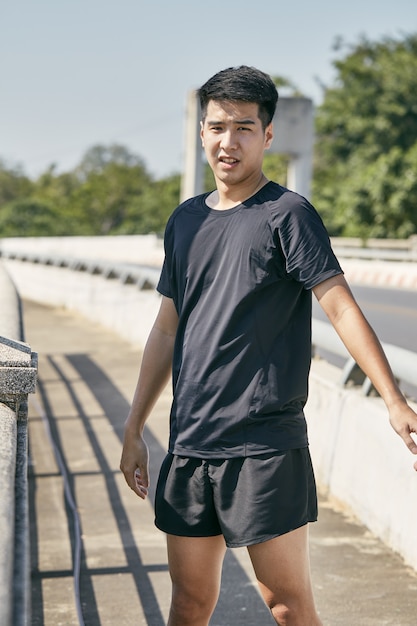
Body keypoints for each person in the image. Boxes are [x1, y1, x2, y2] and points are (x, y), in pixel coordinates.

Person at [120, 65, 417, 626]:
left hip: (263, 446)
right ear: (201, 132)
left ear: (268, 135)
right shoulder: (183, 221)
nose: (227, 142)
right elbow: (166, 329)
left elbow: (341, 307)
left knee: (285, 605)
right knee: (188, 604)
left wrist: (393, 400)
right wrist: (135, 428)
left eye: (243, 128)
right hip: (190, 443)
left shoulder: (288, 215)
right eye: (216, 127)